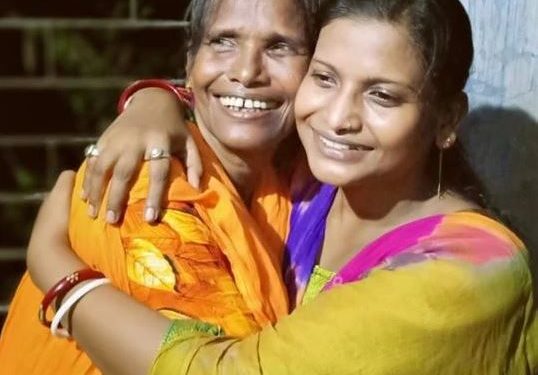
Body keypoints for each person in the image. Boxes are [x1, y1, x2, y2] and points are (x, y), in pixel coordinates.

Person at [22, 0, 538, 374]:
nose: (338, 119)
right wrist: (154, 99)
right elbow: (235, 94)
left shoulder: (465, 276)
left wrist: (59, 274)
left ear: (447, 119)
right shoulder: (308, 181)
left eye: (382, 96)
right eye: (327, 78)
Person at [0, 0, 320, 373]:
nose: (247, 72)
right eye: (223, 42)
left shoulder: (289, 174)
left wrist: (153, 95)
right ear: (190, 64)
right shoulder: (150, 191)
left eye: (279, 46)